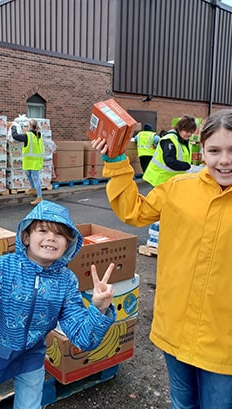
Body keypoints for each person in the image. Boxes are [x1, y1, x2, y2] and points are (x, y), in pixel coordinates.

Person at [91, 108, 232, 408]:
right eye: (215, 150)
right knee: (182, 404)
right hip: (176, 325)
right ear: (201, 151)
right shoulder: (179, 188)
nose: (224, 160)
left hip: (225, 338)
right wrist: (116, 162)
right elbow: (133, 210)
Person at [0, 200, 116, 409]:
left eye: (60, 234)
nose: (51, 237)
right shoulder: (0, 268)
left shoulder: (67, 280)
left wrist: (98, 309)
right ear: (26, 237)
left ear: (69, 244)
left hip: (31, 356)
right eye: (42, 230)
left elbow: (82, 337)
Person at [142, 115, 197, 186]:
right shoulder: (169, 140)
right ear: (180, 128)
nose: (189, 134)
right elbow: (169, 160)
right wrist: (188, 166)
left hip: (172, 179)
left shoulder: (185, 141)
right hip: (161, 179)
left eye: (191, 132)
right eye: (186, 131)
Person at [12, 119, 44, 205]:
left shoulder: (28, 136)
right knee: (29, 175)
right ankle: (33, 189)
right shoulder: (39, 135)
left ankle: (39, 197)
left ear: (30, 126)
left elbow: (15, 136)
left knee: (36, 178)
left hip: (32, 161)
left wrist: (13, 127)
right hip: (35, 160)